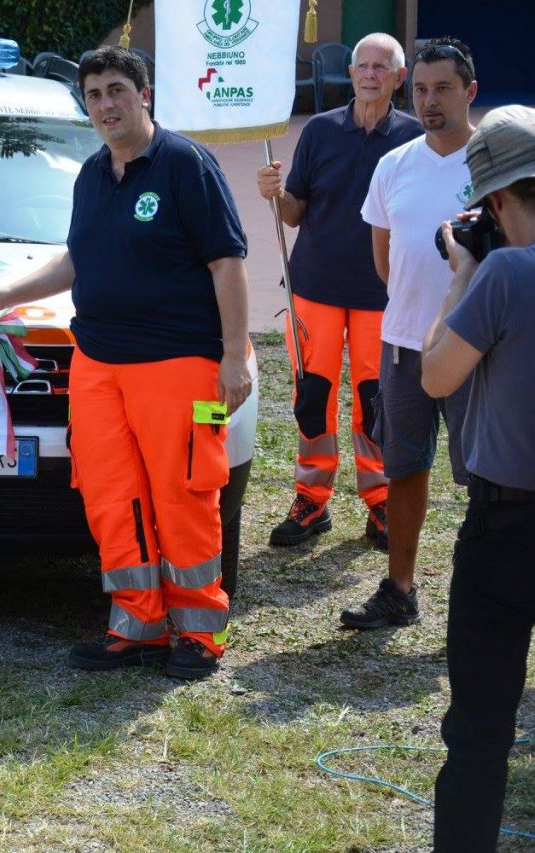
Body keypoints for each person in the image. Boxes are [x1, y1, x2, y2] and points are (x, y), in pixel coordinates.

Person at [0, 47, 251, 680]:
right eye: (93, 95)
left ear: (144, 95)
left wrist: (235, 356)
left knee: (183, 494)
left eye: (117, 90)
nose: (105, 105)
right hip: (97, 362)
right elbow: (78, 258)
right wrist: (5, 293)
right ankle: (138, 624)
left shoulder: (186, 164)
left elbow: (227, 262)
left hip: (179, 361)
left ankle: (200, 632)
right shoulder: (92, 172)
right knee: (111, 495)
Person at [257, 33, 421, 551]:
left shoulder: (414, 139)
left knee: (379, 403)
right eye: (362, 66)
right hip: (315, 287)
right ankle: (312, 498)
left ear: (399, 77)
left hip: (384, 294)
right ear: (349, 74)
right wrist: (275, 194)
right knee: (313, 398)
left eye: (381, 67)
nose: (370, 74)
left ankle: (381, 501)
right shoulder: (320, 131)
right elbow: (294, 213)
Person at [421, 104, 535, 852]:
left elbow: (436, 375)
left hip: (507, 529)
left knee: (481, 730)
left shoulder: (504, 272)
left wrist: (463, 271)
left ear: (494, 201)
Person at [347, 38, 479, 630]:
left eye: (443, 88)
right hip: (402, 345)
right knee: (403, 468)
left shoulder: (496, 164)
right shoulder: (393, 165)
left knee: (488, 480)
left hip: (478, 348)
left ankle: (487, 599)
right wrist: (415, 310)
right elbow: (386, 260)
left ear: (470, 91)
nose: (429, 101)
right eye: (421, 89)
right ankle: (399, 589)